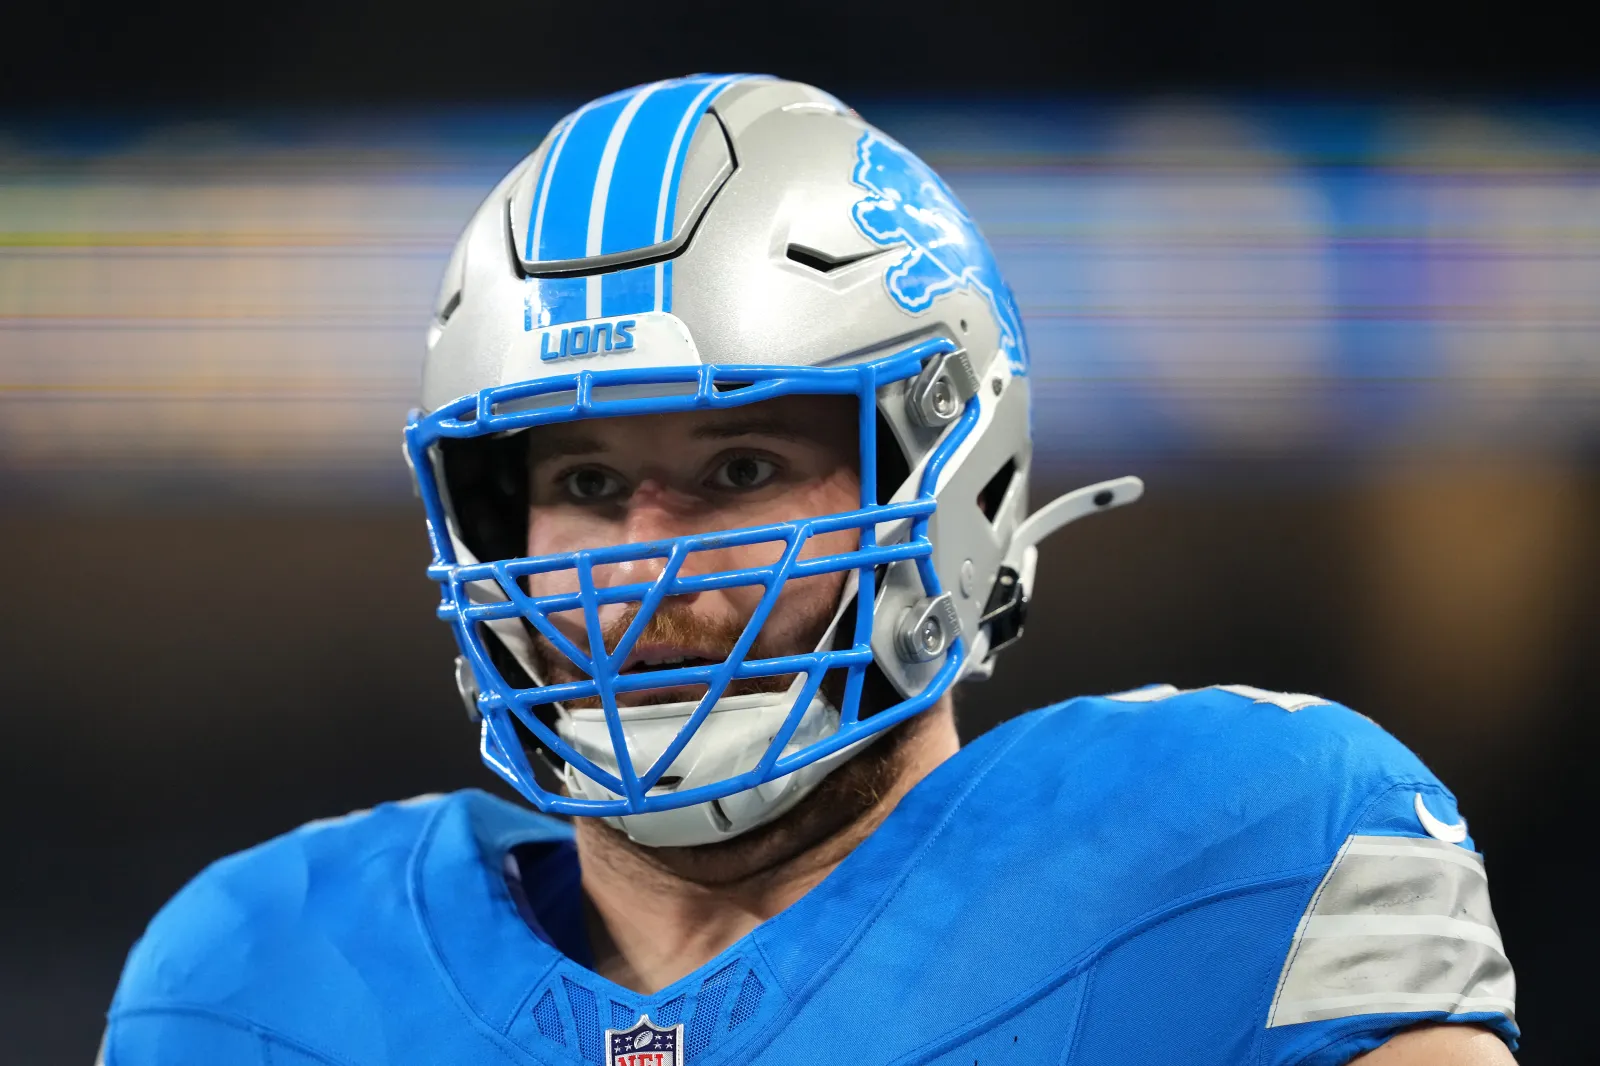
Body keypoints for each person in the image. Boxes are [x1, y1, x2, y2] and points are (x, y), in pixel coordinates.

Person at [102, 75, 1518, 1066]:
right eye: (585, 485)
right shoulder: (249, 986)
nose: (645, 569)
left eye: (739, 470)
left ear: (947, 481)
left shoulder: (1232, 857)